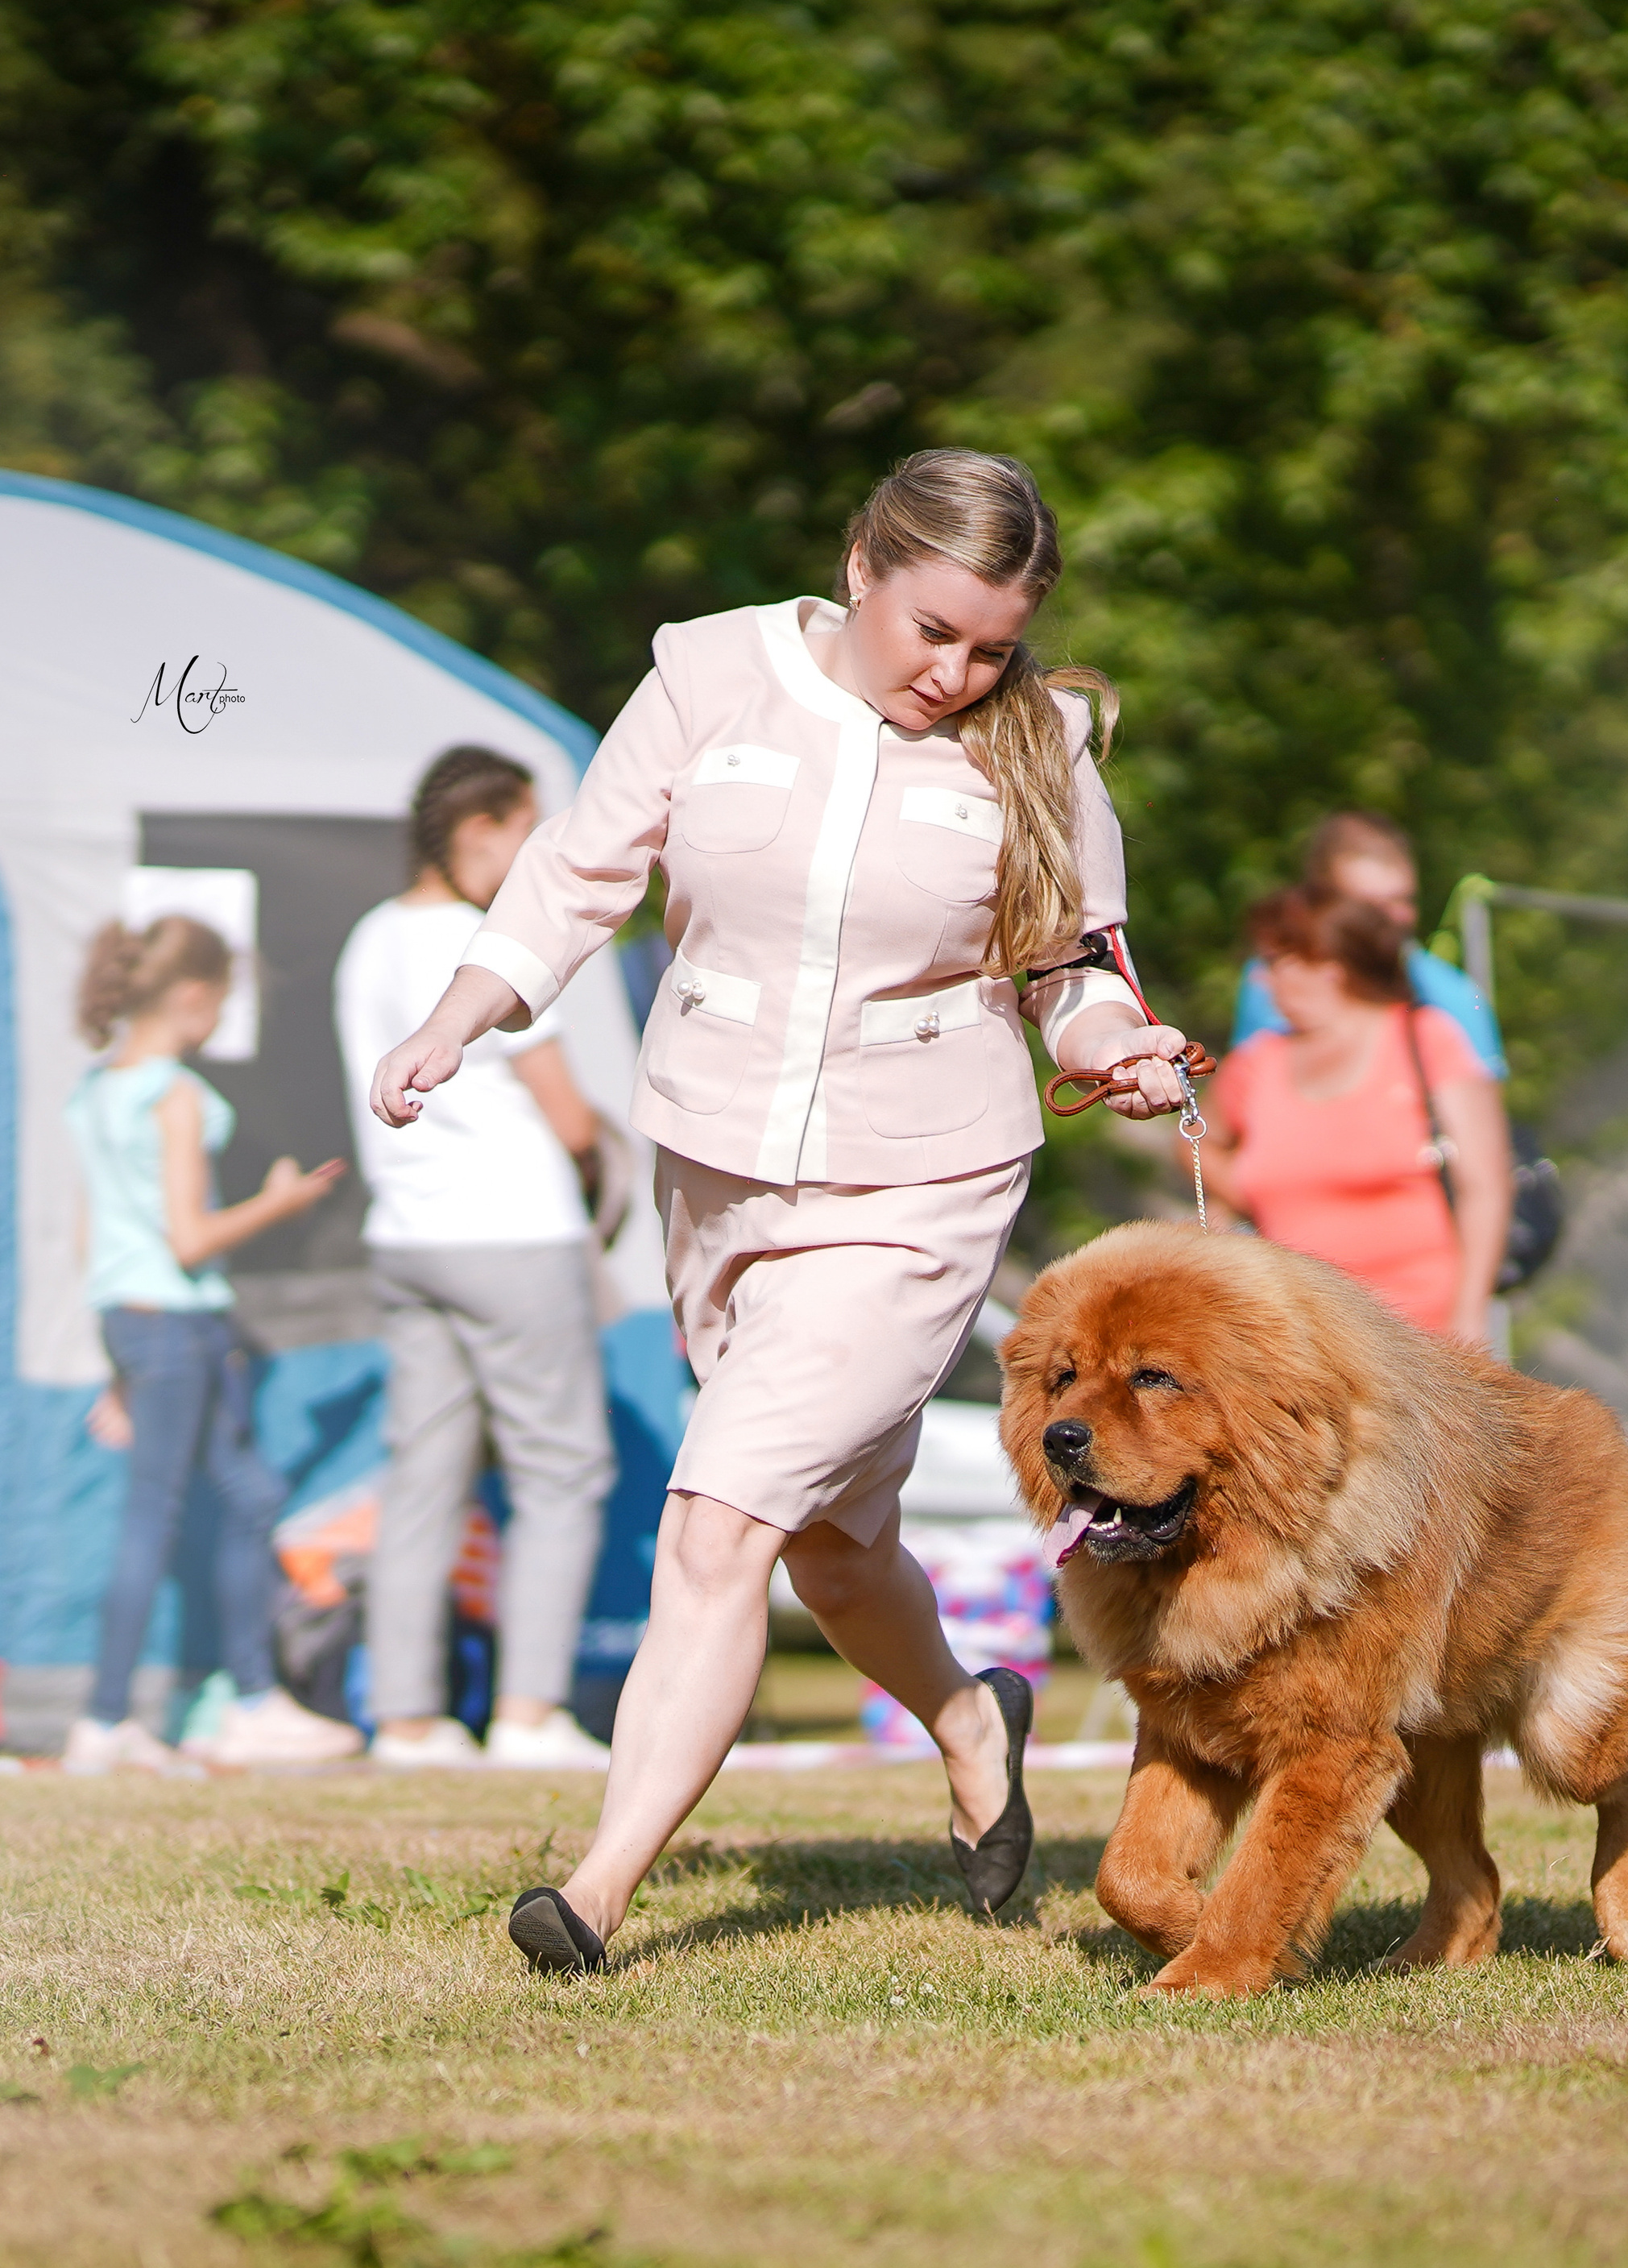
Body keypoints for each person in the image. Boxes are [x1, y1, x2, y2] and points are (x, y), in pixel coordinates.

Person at [371, 447, 1187, 1972]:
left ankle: (596, 1889)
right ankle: (969, 1712)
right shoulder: (707, 670)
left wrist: (1117, 1048)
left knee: (718, 1517)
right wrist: (460, 1013)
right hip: (718, 1168)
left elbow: (1068, 972)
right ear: (862, 567)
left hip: (921, 1179)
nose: (958, 671)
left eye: (992, 645)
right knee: (829, 1538)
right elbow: (575, 871)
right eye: (931, 630)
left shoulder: (1043, 740)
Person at [334, 747, 619, 1773]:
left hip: (408, 1238)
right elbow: (567, 1113)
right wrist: (600, 1165)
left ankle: (408, 1720)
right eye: (528, 829)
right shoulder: (483, 944)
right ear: (481, 832)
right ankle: (529, 1712)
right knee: (563, 1469)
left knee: (423, 1476)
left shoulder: (370, 937)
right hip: (511, 1231)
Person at [62, 915, 359, 1772]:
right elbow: (190, 1240)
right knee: (160, 1515)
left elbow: (95, 1243)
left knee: (247, 1492)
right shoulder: (176, 1095)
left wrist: (120, 1368)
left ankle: (246, 1699)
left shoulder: (95, 1090)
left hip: (138, 1323)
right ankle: (111, 1717)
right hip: (180, 1324)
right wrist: (283, 1200)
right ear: (194, 997)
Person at [1199, 885, 1512, 1344]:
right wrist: (1249, 1193)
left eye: (1273, 963)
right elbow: (1197, 1143)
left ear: (1327, 966)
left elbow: (1485, 1186)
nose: (1261, 982)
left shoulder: (1427, 1039)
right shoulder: (1257, 1063)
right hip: (1300, 1344)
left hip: (1427, 1345)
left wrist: (1470, 1317)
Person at [1230, 811, 1507, 1079]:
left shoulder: (1454, 996)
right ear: (1322, 904)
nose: (1396, 918)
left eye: (1404, 900)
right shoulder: (1272, 980)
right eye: (1372, 907)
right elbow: (1247, 1089)